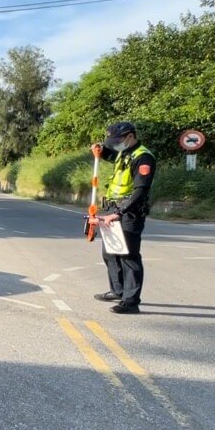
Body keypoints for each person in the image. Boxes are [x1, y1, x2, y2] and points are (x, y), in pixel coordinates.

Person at [91, 121, 156, 314]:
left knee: (128, 256)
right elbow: (113, 157)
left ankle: (131, 301)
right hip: (113, 207)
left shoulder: (143, 157)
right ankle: (117, 290)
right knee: (110, 252)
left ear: (130, 136)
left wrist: (118, 213)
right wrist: (101, 152)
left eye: (118, 139)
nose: (115, 143)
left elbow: (141, 191)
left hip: (129, 211)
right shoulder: (124, 153)